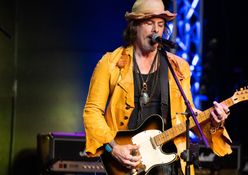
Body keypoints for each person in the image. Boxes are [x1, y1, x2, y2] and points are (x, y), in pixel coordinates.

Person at [82, 0, 232, 174]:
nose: (156, 29)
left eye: (160, 24)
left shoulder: (178, 67)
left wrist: (214, 122)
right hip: (127, 161)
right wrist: (113, 148)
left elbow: (187, 115)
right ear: (134, 26)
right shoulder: (111, 63)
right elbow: (92, 111)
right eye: (149, 23)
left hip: (169, 163)